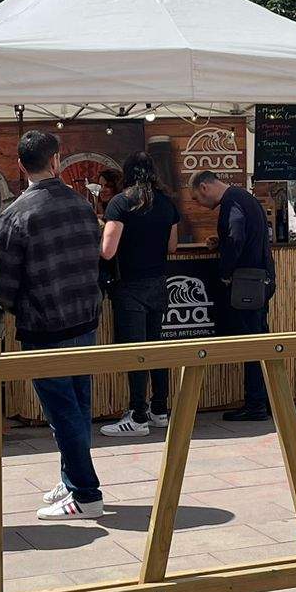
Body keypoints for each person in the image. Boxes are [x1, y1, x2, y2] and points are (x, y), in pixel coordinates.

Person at [0, 130, 107, 520]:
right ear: (57, 160)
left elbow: (4, 284)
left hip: (45, 325)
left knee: (63, 411)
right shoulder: (81, 205)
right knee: (78, 405)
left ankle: (86, 494)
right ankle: (72, 477)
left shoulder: (16, 214)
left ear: (21, 165)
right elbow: (97, 260)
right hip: (84, 317)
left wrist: (19, 310)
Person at [99, 152, 180, 437]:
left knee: (135, 352)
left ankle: (137, 416)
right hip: (159, 283)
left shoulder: (120, 203)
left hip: (129, 285)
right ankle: (159, 410)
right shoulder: (167, 204)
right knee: (155, 348)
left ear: (127, 174)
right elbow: (172, 246)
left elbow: (108, 250)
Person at [193, 170, 275, 421]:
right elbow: (243, 236)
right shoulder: (244, 197)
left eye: (196, 198)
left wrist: (227, 272)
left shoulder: (233, 203)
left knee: (251, 343)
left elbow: (237, 234)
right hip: (260, 277)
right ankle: (266, 399)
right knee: (259, 341)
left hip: (247, 281)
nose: (198, 203)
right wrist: (221, 242)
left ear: (204, 187)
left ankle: (256, 404)